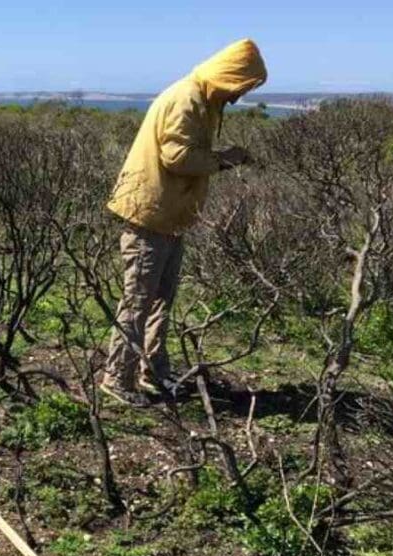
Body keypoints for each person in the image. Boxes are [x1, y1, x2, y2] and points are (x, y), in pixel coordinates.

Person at [100, 38, 267, 407]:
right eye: (243, 85)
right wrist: (223, 160)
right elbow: (177, 157)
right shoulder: (187, 99)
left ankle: (153, 370)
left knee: (160, 300)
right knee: (138, 300)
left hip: (169, 216)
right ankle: (117, 378)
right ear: (230, 76)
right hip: (150, 213)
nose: (240, 95)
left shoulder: (203, 99)